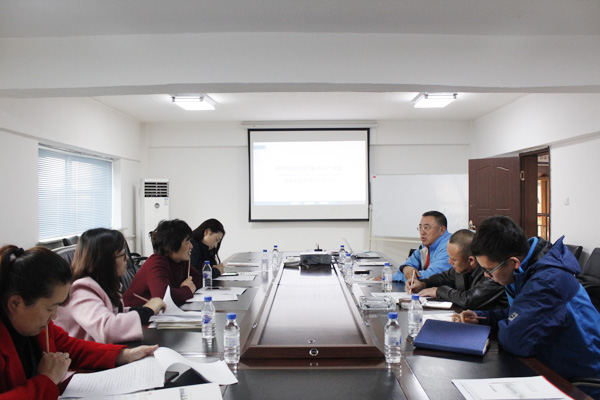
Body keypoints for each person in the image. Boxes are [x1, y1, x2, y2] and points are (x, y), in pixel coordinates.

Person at [453, 216, 600, 396]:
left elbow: (515, 341)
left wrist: (509, 325)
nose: (486, 276)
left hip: (580, 383)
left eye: (489, 270)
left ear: (514, 262)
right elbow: (520, 313)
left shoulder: (547, 282)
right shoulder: (527, 269)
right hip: (552, 365)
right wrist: (484, 318)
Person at [0, 245, 157, 398]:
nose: (54, 316)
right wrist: (47, 380)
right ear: (16, 303)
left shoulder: (39, 326)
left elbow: (70, 348)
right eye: (50, 308)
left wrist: (125, 355)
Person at [55, 228, 166, 343]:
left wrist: (142, 308)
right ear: (105, 260)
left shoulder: (102, 284)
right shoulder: (81, 290)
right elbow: (107, 329)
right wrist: (148, 310)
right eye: (122, 255)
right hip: (81, 354)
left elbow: (113, 313)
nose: (127, 258)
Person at [405, 229, 507, 310]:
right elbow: (444, 277)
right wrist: (423, 283)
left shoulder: (492, 273)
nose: (449, 262)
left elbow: (469, 299)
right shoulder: (463, 268)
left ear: (471, 260)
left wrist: (438, 291)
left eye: (453, 260)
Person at [123, 219, 202, 307]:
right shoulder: (156, 264)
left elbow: (198, 279)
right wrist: (186, 290)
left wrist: (182, 290)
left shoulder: (180, 260)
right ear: (172, 245)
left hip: (163, 312)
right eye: (187, 242)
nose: (191, 246)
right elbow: (163, 298)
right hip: (137, 312)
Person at [392, 211, 452, 282]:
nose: (422, 232)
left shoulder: (450, 247)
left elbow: (431, 277)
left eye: (426, 228)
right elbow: (410, 261)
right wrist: (406, 268)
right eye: (420, 228)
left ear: (441, 230)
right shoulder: (426, 245)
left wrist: (393, 277)